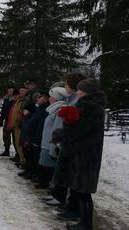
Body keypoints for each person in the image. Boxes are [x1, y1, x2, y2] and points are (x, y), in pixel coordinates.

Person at [54, 79, 106, 230]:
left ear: (87, 91)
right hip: (80, 152)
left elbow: (80, 128)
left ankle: (86, 224)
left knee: (84, 190)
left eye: (80, 90)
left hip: (86, 154)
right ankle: (77, 214)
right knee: (78, 187)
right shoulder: (86, 104)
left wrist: (62, 133)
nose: (77, 92)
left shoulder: (91, 106)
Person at [51, 74, 87, 219]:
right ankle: (69, 205)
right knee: (68, 176)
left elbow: (76, 125)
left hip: (75, 146)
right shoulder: (71, 100)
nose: (65, 87)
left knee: (75, 181)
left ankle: (74, 209)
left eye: (67, 84)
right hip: (68, 143)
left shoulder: (79, 102)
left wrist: (61, 136)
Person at [37, 87, 68, 191]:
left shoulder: (59, 110)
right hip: (46, 142)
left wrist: (54, 145)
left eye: (51, 97)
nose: (49, 99)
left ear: (56, 98)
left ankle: (52, 187)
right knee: (45, 165)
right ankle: (48, 185)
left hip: (51, 144)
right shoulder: (53, 109)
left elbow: (57, 128)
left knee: (50, 167)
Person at [19, 91, 50, 180]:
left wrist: (35, 139)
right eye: (39, 97)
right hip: (29, 135)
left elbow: (39, 125)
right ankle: (29, 170)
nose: (39, 99)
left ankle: (35, 174)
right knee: (28, 155)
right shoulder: (39, 109)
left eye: (41, 97)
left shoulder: (44, 110)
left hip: (34, 137)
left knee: (34, 158)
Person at [0, 86, 16, 156]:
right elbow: (3, 111)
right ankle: (6, 150)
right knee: (6, 136)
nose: (9, 92)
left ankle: (17, 154)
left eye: (11, 91)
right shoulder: (6, 100)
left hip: (14, 121)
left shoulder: (16, 100)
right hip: (7, 121)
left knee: (15, 138)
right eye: (8, 91)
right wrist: (1, 121)